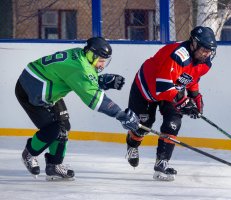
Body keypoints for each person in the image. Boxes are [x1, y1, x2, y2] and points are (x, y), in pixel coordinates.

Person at [15, 37, 139, 181]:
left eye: (105, 60)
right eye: (100, 59)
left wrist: (100, 80)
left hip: (44, 86)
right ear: (91, 55)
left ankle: (54, 166)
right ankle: (29, 153)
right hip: (31, 91)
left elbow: (76, 77)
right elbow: (94, 99)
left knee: (64, 127)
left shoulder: (79, 55)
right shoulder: (80, 67)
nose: (102, 64)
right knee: (53, 129)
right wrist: (120, 114)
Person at [125, 26, 217, 181]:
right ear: (193, 44)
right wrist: (183, 101)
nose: (206, 54)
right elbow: (163, 87)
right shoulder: (179, 55)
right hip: (147, 88)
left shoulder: (205, 63)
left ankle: (162, 163)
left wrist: (195, 97)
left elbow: (190, 79)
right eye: (204, 50)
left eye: (209, 51)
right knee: (144, 125)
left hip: (172, 90)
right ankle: (132, 145)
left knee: (173, 123)